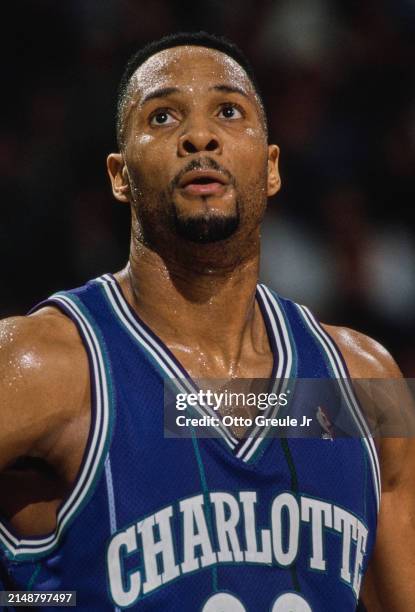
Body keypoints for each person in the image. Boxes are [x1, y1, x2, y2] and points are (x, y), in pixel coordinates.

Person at [0, 31, 414, 611]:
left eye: (228, 111)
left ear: (271, 167)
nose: (200, 136)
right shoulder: (43, 362)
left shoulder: (366, 389)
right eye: (164, 116)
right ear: (119, 176)